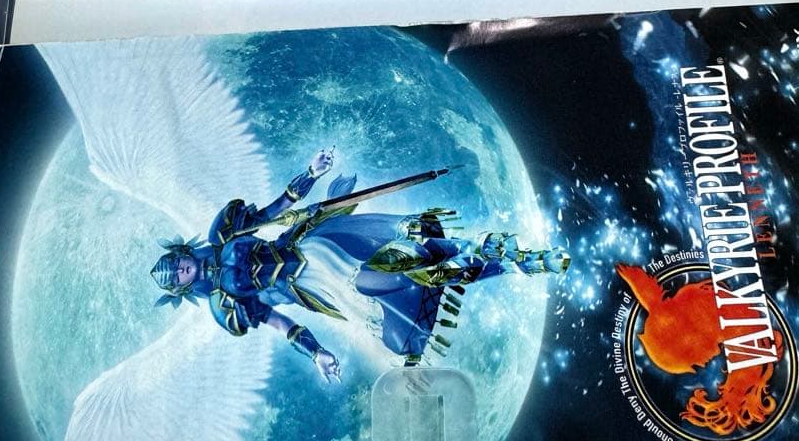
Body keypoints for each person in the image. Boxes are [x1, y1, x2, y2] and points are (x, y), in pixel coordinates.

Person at [151, 149, 569, 380]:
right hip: (314, 287)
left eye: (178, 264)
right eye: (178, 277)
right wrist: (316, 354)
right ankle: (505, 264)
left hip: (310, 247)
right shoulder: (225, 307)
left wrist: (311, 173)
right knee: (398, 280)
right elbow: (279, 322)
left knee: (404, 244)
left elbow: (274, 210)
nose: (184, 270)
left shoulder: (224, 232)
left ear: (182, 253)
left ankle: (488, 249)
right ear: (182, 288)